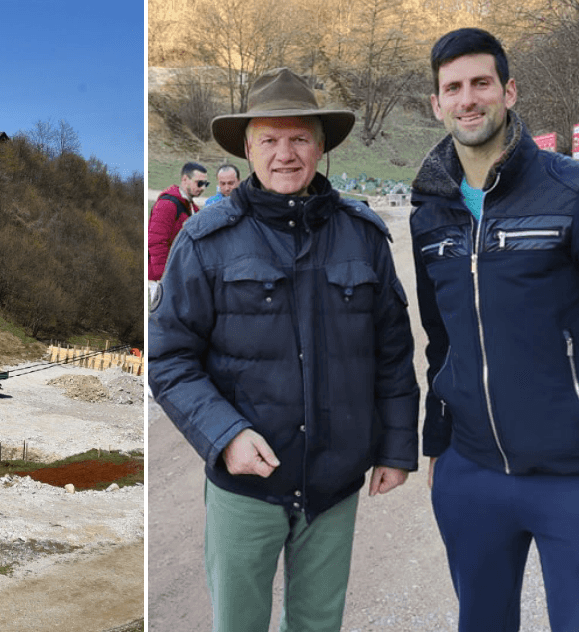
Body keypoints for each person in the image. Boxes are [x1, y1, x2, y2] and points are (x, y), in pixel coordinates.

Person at [411, 27, 579, 631]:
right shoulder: (431, 213)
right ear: (436, 104)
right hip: (470, 477)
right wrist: (439, 441)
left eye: (482, 83)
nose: (468, 98)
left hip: (577, 482)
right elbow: (441, 336)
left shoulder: (577, 190)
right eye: (453, 87)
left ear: (510, 91)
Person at [149, 67, 419, 632]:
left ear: (321, 145)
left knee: (319, 625)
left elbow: (392, 351)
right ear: (247, 147)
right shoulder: (204, 241)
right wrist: (224, 435)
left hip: (335, 483)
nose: (285, 153)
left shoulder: (363, 235)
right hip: (244, 483)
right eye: (269, 139)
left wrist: (396, 446)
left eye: (299, 138)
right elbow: (170, 358)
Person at [147, 162, 206, 301]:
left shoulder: (193, 208)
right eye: (199, 183)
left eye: (206, 184)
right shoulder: (167, 204)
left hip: (179, 276)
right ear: (185, 179)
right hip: (163, 279)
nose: (203, 188)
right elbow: (156, 241)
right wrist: (164, 276)